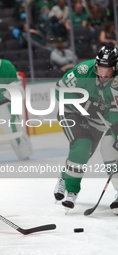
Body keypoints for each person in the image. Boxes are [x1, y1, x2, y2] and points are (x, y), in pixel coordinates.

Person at [54, 46, 118, 212]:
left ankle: (64, 175)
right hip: (71, 112)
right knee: (82, 146)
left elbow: (114, 110)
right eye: (100, 70)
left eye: (108, 71)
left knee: (84, 154)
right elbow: (60, 91)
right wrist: (84, 103)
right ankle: (72, 191)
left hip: (97, 121)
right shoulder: (83, 71)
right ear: (96, 65)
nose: (103, 75)